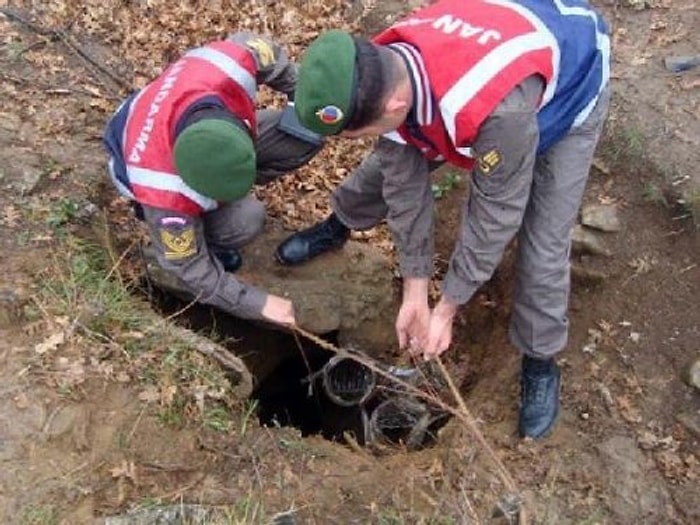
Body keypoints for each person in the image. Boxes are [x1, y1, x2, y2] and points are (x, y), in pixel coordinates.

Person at [276, 0, 611, 439]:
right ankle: (339, 222)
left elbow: (495, 213)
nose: (356, 140)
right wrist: (416, 286)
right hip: (488, 63)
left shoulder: (496, 112)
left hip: (567, 91)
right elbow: (403, 183)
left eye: (358, 132)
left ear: (396, 103)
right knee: (384, 167)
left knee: (542, 242)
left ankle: (539, 357)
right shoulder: (383, 63)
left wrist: (449, 304)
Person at [104, 32, 323, 327]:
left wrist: (301, 96)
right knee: (245, 220)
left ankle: (223, 193)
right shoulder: (165, 195)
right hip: (152, 160)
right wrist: (257, 303)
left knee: (308, 130)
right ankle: (213, 237)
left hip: (195, 122)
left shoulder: (226, 65)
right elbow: (188, 267)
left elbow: (263, 52)